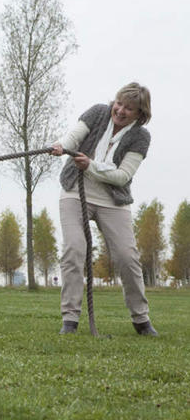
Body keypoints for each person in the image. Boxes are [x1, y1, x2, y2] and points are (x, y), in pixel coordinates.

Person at [52, 82, 157, 336]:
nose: (120, 110)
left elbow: (122, 176)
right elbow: (73, 137)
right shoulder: (98, 112)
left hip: (113, 200)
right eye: (119, 103)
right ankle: (70, 319)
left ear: (140, 114)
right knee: (74, 249)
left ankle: (141, 319)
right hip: (75, 192)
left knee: (127, 257)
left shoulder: (141, 137)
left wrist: (90, 166)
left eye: (128, 108)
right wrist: (61, 145)